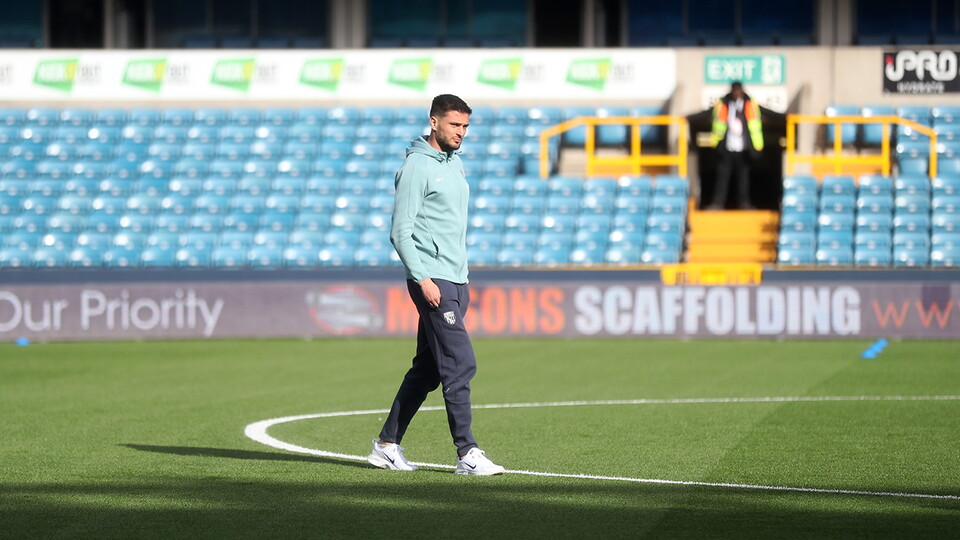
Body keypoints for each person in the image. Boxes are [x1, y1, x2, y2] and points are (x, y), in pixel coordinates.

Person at [366, 94, 505, 476]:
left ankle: (385, 445)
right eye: (455, 125)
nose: (461, 133)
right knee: (461, 363)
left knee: (428, 370)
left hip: (456, 280)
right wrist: (422, 277)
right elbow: (400, 232)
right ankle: (468, 453)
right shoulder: (416, 167)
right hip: (433, 280)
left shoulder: (454, 164)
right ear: (434, 122)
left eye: (465, 127)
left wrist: (461, 279)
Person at [707, 81, 764, 210]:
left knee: (743, 179)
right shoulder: (723, 104)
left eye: (739, 91)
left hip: (743, 149)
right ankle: (717, 204)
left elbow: (766, 112)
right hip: (727, 148)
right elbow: (708, 113)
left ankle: (744, 204)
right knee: (722, 178)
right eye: (735, 91)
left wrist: (785, 116)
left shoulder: (750, 105)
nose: (737, 93)